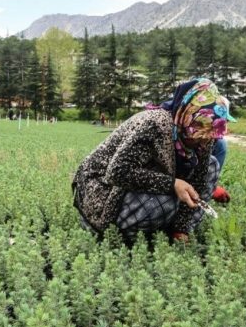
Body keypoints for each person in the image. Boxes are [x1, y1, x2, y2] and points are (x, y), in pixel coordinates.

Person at [73, 78, 236, 243]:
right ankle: (122, 235)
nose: (204, 143)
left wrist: (181, 229)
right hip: (104, 190)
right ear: (185, 117)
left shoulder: (203, 135)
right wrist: (172, 184)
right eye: (198, 136)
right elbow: (117, 173)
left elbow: (199, 181)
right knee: (166, 204)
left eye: (209, 137)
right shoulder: (154, 125)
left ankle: (172, 229)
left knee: (210, 166)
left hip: (141, 183)